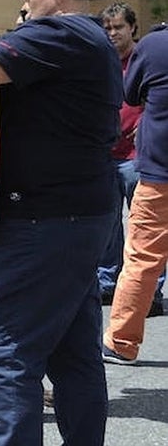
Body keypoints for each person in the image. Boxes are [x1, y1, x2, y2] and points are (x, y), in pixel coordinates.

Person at [0, 0, 119, 445]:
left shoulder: (61, 35)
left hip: (42, 221)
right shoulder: (90, 38)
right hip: (77, 214)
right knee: (73, 353)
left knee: (6, 349)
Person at [104, 20, 168, 364]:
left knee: (142, 260)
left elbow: (130, 93)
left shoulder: (156, 46)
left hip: (160, 174)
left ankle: (121, 342)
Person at [96, 2, 164, 316]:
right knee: (108, 227)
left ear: (133, 28)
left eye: (118, 27)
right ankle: (108, 282)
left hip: (139, 158)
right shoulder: (100, 60)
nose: (112, 34)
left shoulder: (146, 56)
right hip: (107, 155)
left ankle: (150, 293)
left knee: (146, 233)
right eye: (107, 28)